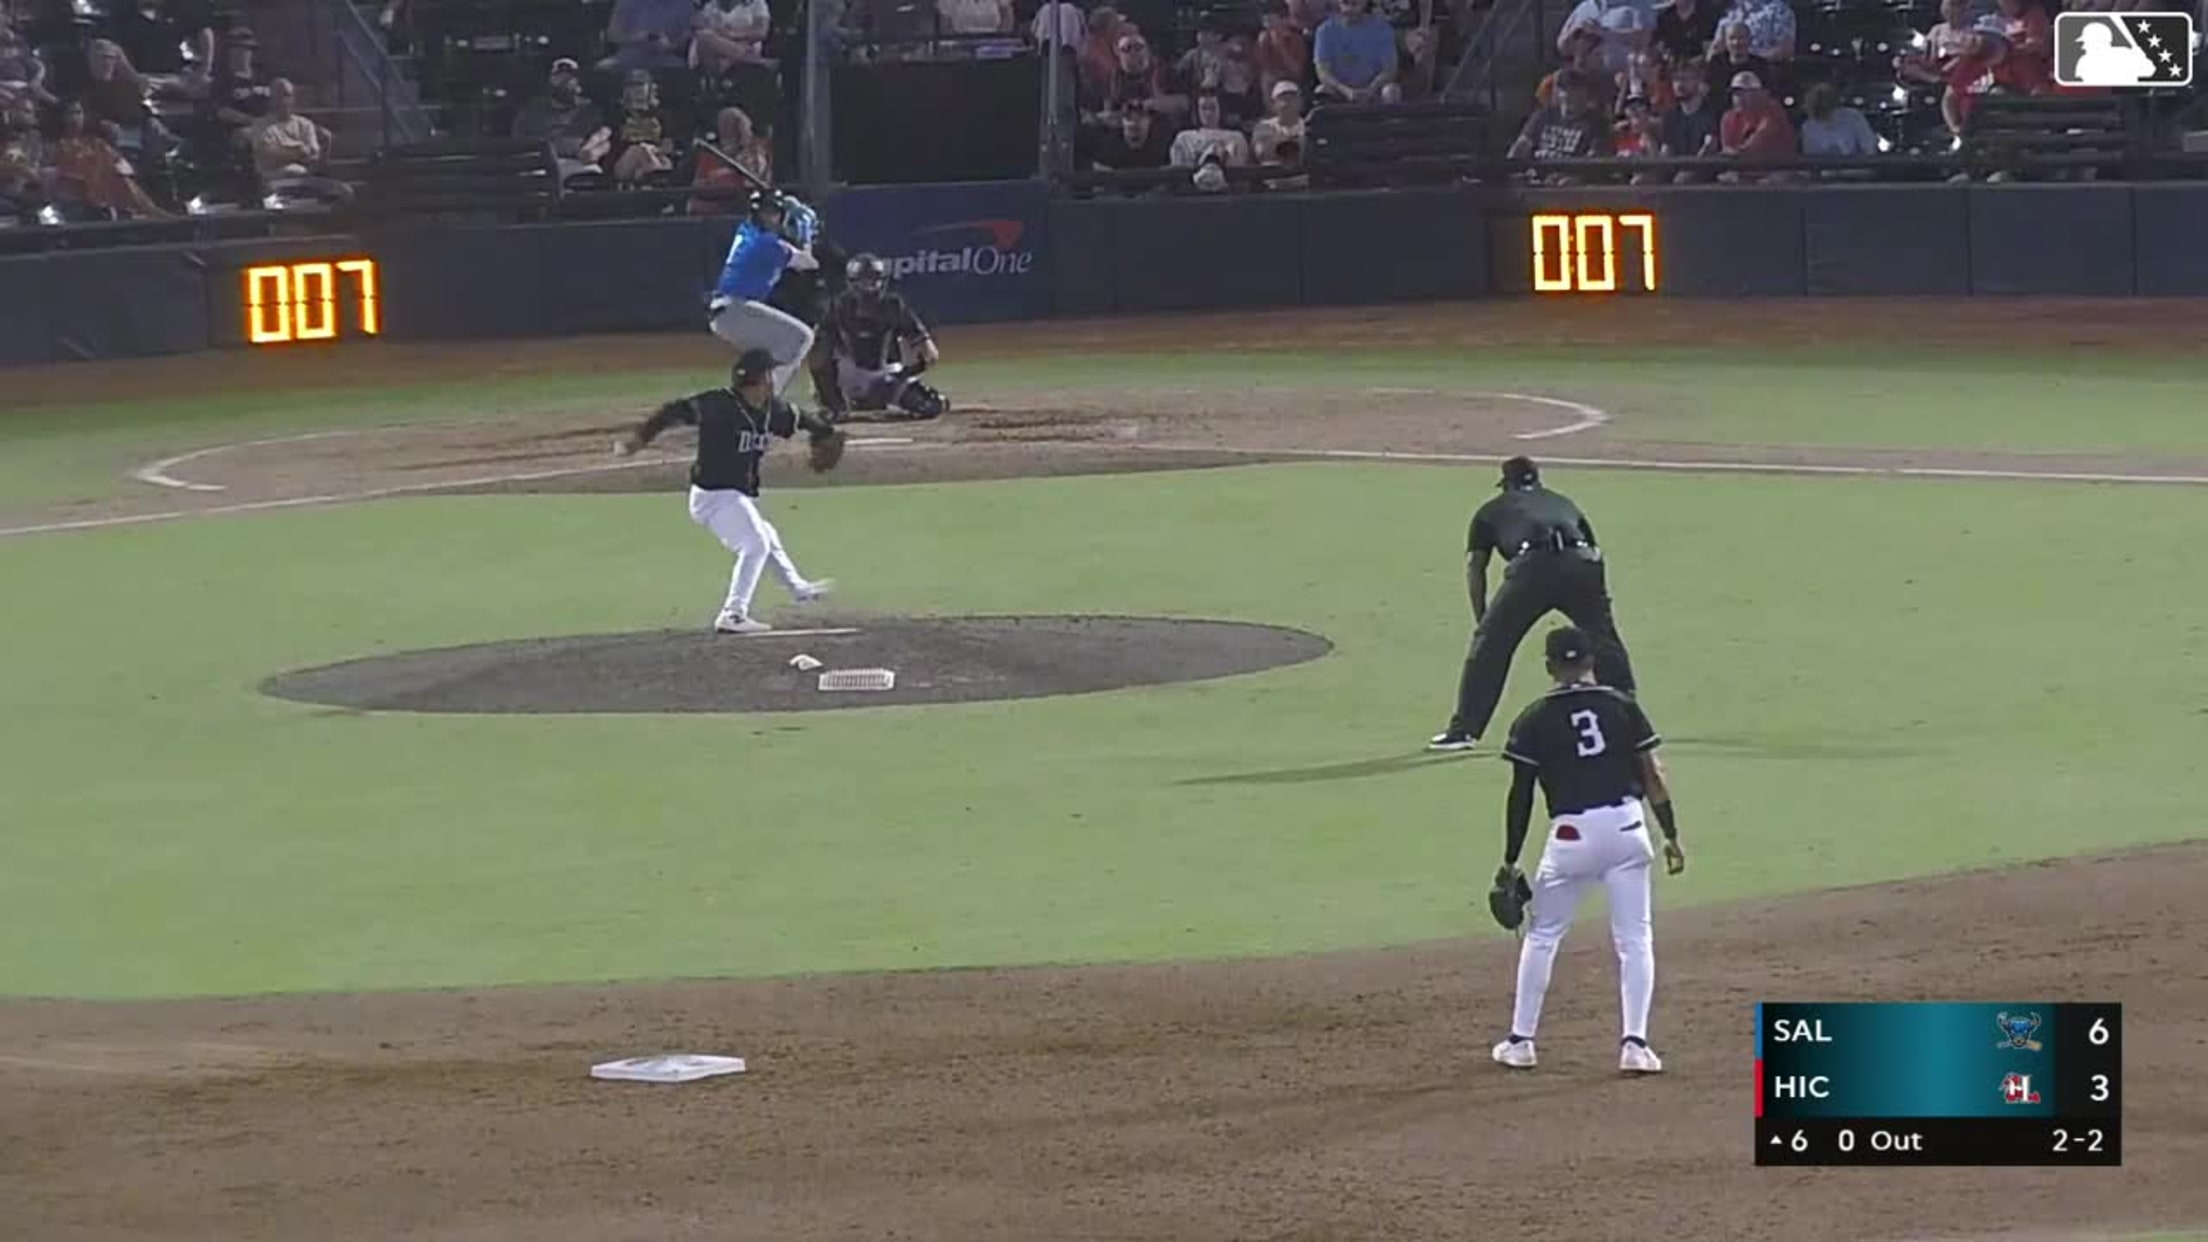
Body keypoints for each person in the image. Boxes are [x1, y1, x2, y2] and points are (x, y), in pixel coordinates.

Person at [1488, 625, 1685, 1075]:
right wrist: (1671, 834)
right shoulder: (1622, 706)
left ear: (1549, 666)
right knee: (1635, 939)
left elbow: (1521, 795)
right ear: (1591, 661)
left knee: (1543, 935)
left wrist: (1511, 859)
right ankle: (1635, 1045)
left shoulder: (1534, 717)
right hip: (1628, 828)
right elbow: (1653, 775)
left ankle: (1521, 1042)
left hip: (1571, 836)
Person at [613, 348, 839, 635]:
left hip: (736, 496)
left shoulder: (773, 410)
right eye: (769, 374)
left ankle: (799, 590)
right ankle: (733, 614)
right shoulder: (718, 404)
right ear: (760, 380)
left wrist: (825, 432)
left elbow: (805, 420)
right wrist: (639, 439)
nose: (773, 380)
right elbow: (672, 412)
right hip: (713, 496)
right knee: (755, 543)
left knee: (766, 536)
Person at [1429, 457, 1639, 752]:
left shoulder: (1491, 510)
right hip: (1582, 565)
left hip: (1532, 570)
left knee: (1491, 648)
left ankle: (1464, 731)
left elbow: (1476, 567)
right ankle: (1628, 716)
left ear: (1506, 484)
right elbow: (1593, 549)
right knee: (1604, 641)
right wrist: (1598, 606)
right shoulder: (1563, 502)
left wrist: (1484, 621)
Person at [708, 189, 821, 397]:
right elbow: (809, 263)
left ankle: (746, 395)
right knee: (801, 338)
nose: (771, 218)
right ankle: (767, 399)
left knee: (769, 353)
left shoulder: (748, 231)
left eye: (774, 213)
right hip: (736, 309)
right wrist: (805, 229)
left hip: (730, 311)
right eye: (767, 213)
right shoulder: (767, 243)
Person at [809, 253, 947, 421]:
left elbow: (928, 350)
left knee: (931, 405)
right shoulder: (837, 306)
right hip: (849, 374)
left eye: (875, 280)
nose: (871, 286)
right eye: (865, 281)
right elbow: (817, 354)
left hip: (884, 374)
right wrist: (827, 388)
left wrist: (905, 373)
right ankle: (834, 404)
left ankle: (870, 398)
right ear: (852, 282)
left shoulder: (893, 305)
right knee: (820, 350)